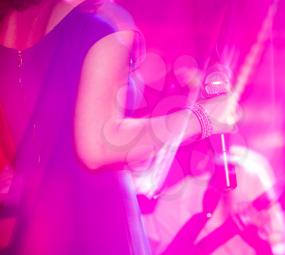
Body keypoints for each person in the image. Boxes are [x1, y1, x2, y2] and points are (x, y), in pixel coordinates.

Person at [0, 0, 238, 254]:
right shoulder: (98, 28)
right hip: (97, 227)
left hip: (36, 230)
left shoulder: (9, 23)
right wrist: (202, 118)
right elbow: (98, 145)